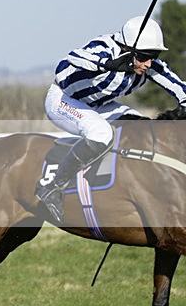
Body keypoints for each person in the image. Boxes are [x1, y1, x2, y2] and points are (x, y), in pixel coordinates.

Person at [37, 15, 186, 222]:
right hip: (64, 99)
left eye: (154, 55)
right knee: (101, 133)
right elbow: (70, 60)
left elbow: (179, 87)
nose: (148, 63)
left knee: (143, 128)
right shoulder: (103, 47)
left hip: (100, 106)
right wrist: (107, 64)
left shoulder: (149, 64)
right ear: (128, 49)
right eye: (143, 56)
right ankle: (53, 186)